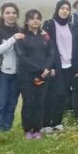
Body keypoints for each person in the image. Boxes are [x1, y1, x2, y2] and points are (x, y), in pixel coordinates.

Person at [15, 9, 55, 139]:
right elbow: (22, 57)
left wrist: (47, 69)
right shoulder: (22, 36)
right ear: (27, 21)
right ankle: (28, 130)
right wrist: (39, 70)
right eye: (32, 18)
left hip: (43, 75)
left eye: (38, 18)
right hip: (27, 76)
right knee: (29, 103)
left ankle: (37, 129)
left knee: (40, 103)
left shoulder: (45, 36)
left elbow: (51, 53)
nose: (35, 20)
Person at [0, 3, 23, 133]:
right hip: (1, 72)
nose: (11, 15)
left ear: (17, 15)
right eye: (7, 13)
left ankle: (7, 129)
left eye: (13, 13)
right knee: (0, 103)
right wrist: (13, 39)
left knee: (12, 103)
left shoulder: (19, 30)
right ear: (2, 14)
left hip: (16, 73)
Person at [42, 0, 75, 131]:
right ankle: (46, 123)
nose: (65, 11)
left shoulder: (71, 26)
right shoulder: (49, 24)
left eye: (67, 9)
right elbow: (46, 48)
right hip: (56, 66)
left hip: (69, 66)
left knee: (63, 95)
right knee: (51, 95)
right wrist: (51, 66)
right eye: (62, 8)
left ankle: (57, 122)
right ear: (57, 9)